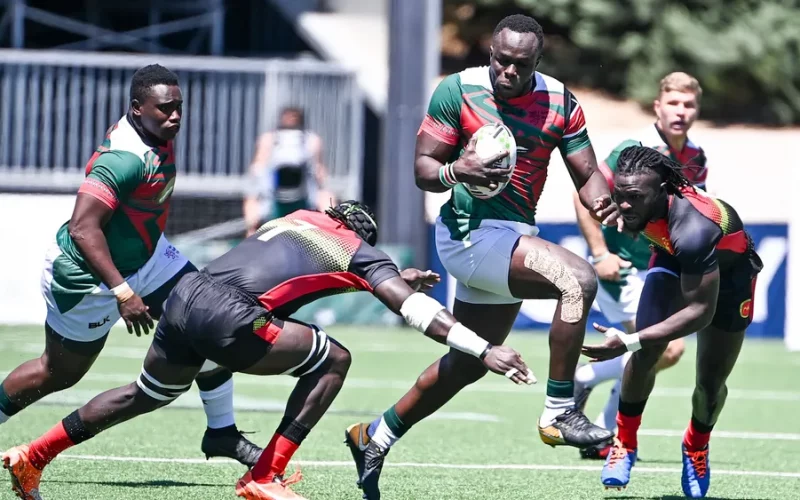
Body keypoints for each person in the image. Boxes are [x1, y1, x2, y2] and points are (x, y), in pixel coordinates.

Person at [2, 201, 534, 500]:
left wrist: (389, 277)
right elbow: (415, 311)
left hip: (187, 295)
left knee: (145, 395)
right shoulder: (363, 253)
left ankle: (33, 455)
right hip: (228, 314)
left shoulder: (300, 218)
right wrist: (483, 348)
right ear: (364, 238)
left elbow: (297, 268)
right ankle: (263, 476)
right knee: (335, 358)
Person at [344, 14, 621, 499]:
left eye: (519, 64)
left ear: (537, 61)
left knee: (467, 363)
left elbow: (587, 173)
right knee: (577, 280)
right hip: (468, 235)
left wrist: (605, 200)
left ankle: (375, 436)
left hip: (510, 238)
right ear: (490, 52)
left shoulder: (559, 101)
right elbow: (423, 170)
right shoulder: (457, 90)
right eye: (500, 60)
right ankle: (559, 410)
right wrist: (459, 170)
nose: (507, 72)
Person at [0, 65, 261, 468]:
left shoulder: (155, 131)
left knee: (208, 317)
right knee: (58, 373)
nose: (174, 116)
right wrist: (123, 291)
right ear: (137, 109)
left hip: (149, 257)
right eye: (164, 109)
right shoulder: (124, 159)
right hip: (85, 278)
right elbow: (83, 229)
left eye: (179, 107)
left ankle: (222, 433)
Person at [581, 146, 762, 498]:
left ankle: (696, 447)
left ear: (663, 191)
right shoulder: (632, 198)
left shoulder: (693, 229)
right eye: (620, 195)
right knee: (647, 353)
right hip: (670, 258)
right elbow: (586, 183)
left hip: (730, 278)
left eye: (634, 198)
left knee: (710, 384)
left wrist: (631, 338)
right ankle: (624, 443)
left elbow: (699, 312)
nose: (625, 204)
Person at [572, 72, 707, 459]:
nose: (681, 111)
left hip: (662, 267)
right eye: (674, 103)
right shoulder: (633, 151)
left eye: (689, 104)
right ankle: (610, 434)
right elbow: (581, 195)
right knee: (662, 348)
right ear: (658, 107)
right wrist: (600, 253)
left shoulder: (697, 158)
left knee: (658, 350)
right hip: (625, 269)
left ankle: (590, 387)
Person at [243, 107, 333, 237]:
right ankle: (251, 241)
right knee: (252, 203)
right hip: (272, 195)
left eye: (294, 117)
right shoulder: (268, 139)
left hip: (306, 194)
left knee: (327, 198)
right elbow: (258, 166)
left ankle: (330, 237)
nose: (291, 120)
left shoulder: (312, 140)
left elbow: (319, 169)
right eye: (288, 117)